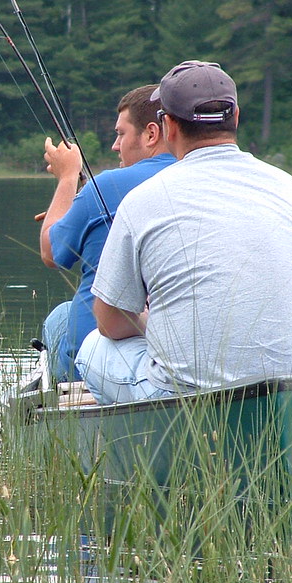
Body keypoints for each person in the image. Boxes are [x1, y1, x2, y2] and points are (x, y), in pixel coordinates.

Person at [76, 60, 292, 404]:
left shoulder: (142, 200)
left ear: (168, 125)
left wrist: (155, 323)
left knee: (93, 348)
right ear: (236, 117)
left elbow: (109, 323)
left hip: (187, 399)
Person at [39, 85, 176, 382]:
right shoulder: (201, 182)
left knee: (60, 318)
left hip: (98, 359)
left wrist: (67, 179)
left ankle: (60, 392)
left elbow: (51, 252)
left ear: (151, 134)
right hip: (183, 352)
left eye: (121, 133)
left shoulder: (106, 185)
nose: (115, 145)